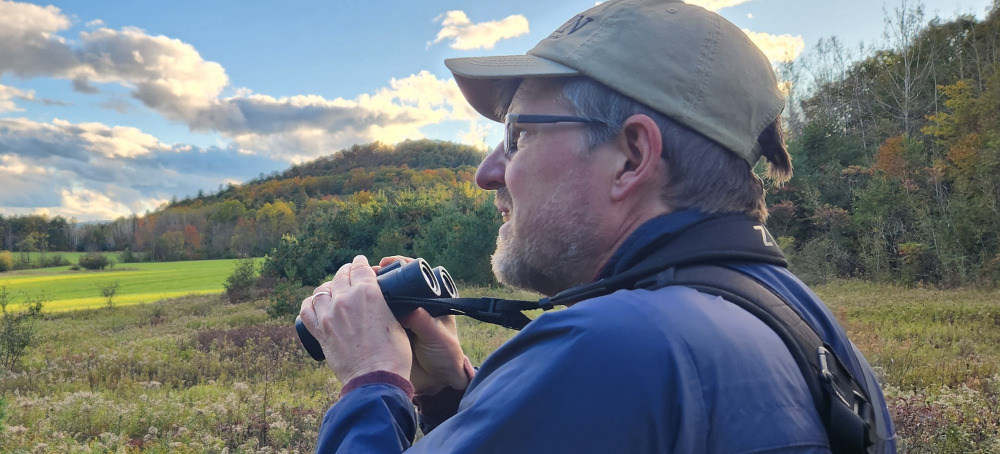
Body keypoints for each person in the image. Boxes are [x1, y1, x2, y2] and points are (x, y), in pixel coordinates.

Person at [297, 0, 897, 452]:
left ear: (632, 157)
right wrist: (451, 393)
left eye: (517, 135)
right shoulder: (802, 324)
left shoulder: (616, 347)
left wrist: (373, 382)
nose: (487, 173)